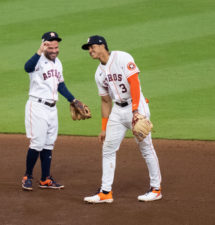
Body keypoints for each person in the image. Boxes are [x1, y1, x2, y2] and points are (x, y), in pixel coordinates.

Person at [81, 35, 162, 203]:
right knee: (108, 148)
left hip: (137, 106)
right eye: (88, 48)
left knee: (146, 148)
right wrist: (103, 128)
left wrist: (135, 113)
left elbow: (134, 83)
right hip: (117, 111)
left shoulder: (122, 57)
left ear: (102, 45)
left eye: (92, 47)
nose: (90, 50)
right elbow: (105, 100)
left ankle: (156, 189)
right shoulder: (98, 74)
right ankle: (105, 192)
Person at [21, 31, 90, 191]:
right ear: (44, 46)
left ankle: (45, 179)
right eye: (50, 47)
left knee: (49, 144)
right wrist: (38, 51)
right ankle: (27, 176)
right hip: (37, 106)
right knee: (37, 143)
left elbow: (60, 85)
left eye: (56, 47)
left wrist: (72, 99)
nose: (54, 50)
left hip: (52, 109)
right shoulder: (37, 60)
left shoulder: (58, 63)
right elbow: (27, 68)